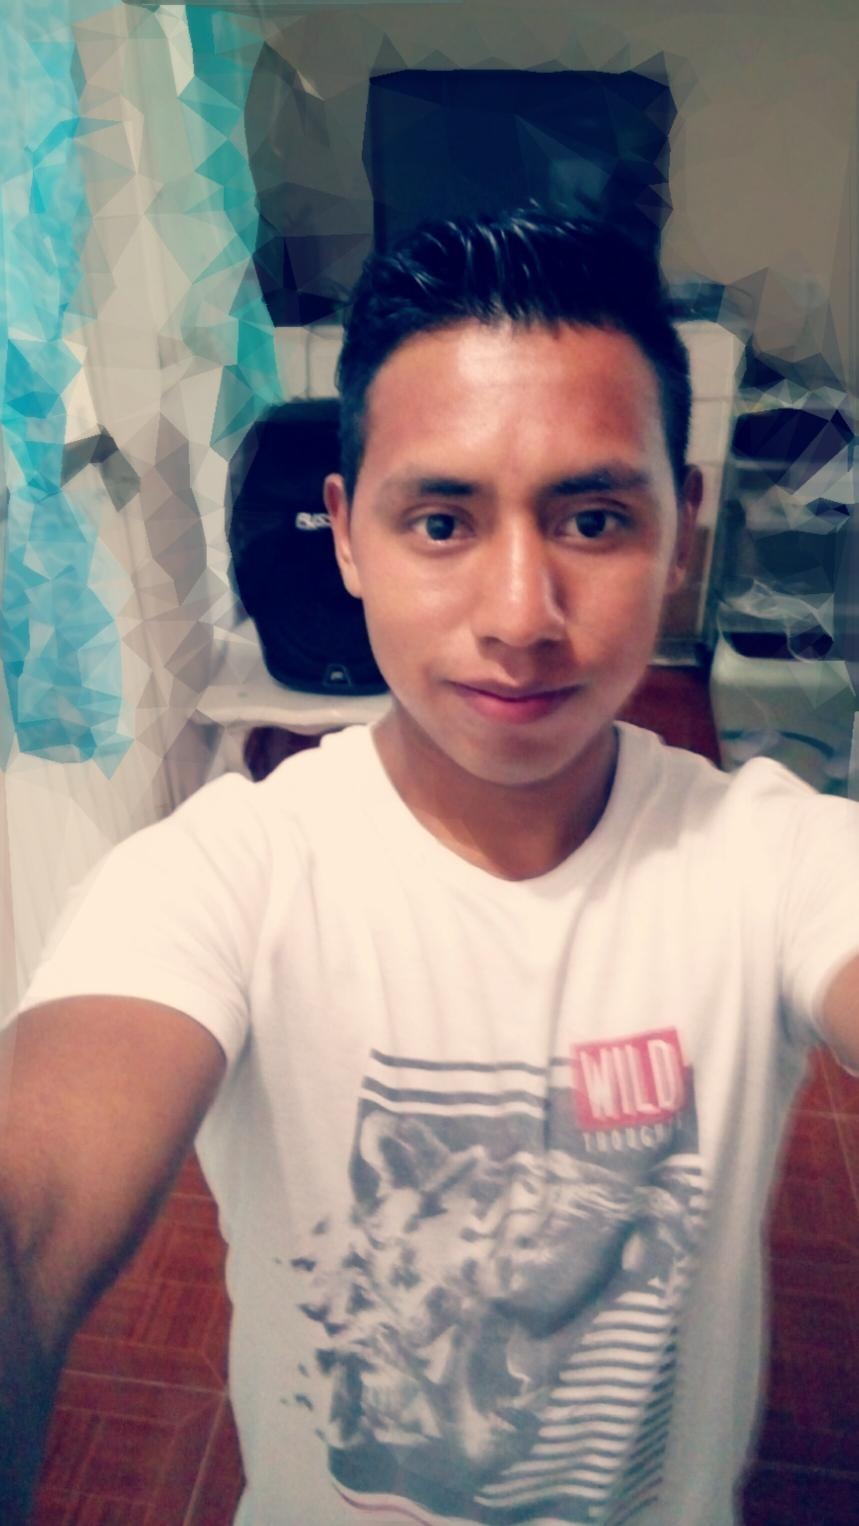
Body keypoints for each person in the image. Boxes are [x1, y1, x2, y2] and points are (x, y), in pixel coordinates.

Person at [2, 208, 858, 1526]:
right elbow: (33, 1201)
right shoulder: (223, 876)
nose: (521, 617)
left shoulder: (775, 857)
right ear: (347, 536)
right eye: (443, 521)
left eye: (592, 518)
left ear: (683, 529)